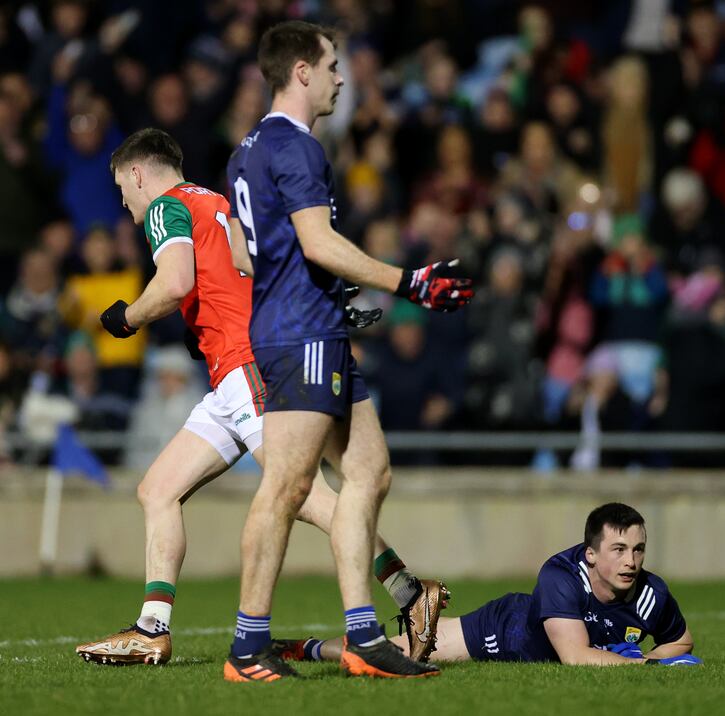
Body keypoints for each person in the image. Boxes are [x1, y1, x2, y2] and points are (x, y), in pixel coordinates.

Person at [74, 128, 447, 667]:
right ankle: (151, 629)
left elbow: (175, 280)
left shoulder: (165, 207)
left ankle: (411, 594)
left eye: (121, 186)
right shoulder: (219, 203)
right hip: (233, 373)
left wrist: (126, 317)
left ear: (137, 173)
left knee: (303, 494)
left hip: (245, 370)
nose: (124, 200)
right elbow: (252, 271)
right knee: (157, 490)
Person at [223, 21, 472, 682]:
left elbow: (248, 253)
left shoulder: (247, 148)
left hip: (309, 324)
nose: (343, 77)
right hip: (299, 333)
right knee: (286, 487)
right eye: (333, 65)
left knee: (371, 471)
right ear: (301, 71)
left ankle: (364, 634)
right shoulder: (298, 148)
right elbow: (317, 242)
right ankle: (247, 647)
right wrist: (409, 281)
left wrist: (330, 296)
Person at [273, 503, 698, 667]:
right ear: (591, 554)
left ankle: (410, 600)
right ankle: (315, 645)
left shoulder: (651, 593)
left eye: (639, 550)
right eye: (619, 549)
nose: (631, 560)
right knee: (400, 650)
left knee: (400, 647)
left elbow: (682, 641)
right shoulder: (561, 576)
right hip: (506, 629)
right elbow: (574, 657)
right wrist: (644, 663)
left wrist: (661, 653)